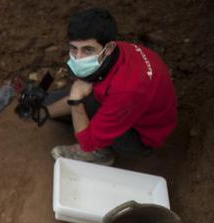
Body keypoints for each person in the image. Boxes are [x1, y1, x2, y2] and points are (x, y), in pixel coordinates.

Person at [45, 8, 177, 166]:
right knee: (48, 103)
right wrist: (45, 112)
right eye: (74, 48)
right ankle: (49, 109)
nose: (78, 58)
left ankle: (100, 153)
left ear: (108, 48)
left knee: (84, 109)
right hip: (135, 105)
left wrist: (75, 101)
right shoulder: (115, 50)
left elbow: (87, 143)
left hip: (141, 136)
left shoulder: (126, 89)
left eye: (87, 49)